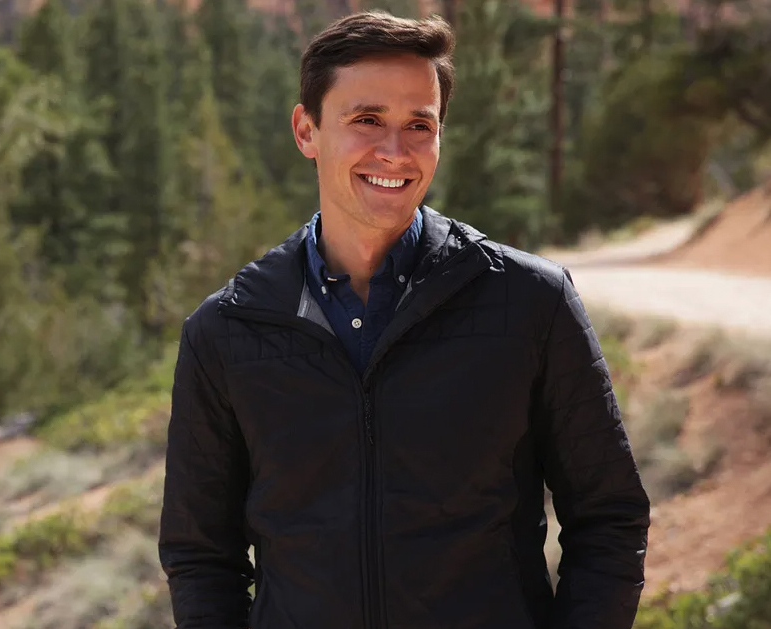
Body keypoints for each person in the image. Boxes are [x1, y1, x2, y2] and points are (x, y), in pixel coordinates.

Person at [158, 10, 650, 629]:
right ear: (306, 131)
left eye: (420, 124)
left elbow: (609, 518)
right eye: (366, 120)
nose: (395, 151)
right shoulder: (226, 332)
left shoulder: (531, 303)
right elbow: (200, 556)